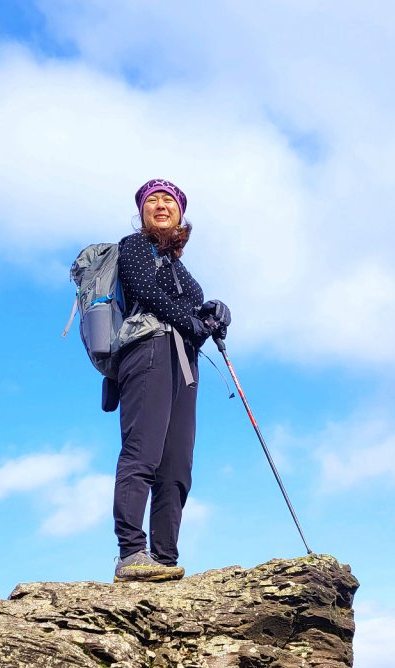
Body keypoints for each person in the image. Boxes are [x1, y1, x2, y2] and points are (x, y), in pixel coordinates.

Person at [112, 178, 230, 583]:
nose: (161, 205)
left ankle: (164, 559)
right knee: (142, 452)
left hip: (183, 362)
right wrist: (195, 322)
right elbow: (144, 289)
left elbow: (190, 311)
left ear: (180, 212)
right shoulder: (134, 247)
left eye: (169, 201)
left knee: (177, 465)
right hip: (148, 351)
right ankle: (131, 554)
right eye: (152, 200)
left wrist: (212, 312)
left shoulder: (179, 266)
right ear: (142, 211)